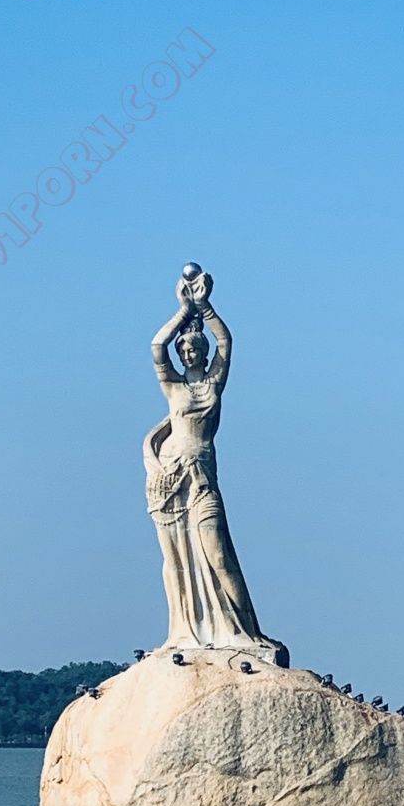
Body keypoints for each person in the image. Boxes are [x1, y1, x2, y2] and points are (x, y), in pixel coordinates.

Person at [143, 270, 271, 651]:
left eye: (193, 349)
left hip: (202, 480)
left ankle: (246, 632)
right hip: (169, 481)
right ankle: (185, 630)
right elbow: (156, 346)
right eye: (183, 351)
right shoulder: (173, 387)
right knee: (176, 562)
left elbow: (226, 342)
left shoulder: (213, 383)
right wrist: (184, 311)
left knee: (218, 554)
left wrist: (205, 307)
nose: (187, 354)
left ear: (201, 350)